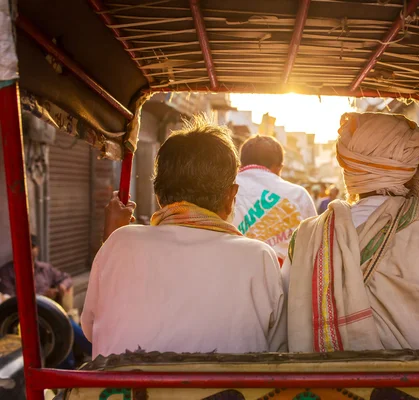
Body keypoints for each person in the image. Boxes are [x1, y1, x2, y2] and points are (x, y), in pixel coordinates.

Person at [283, 112, 419, 352]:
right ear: (413, 169)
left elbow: (284, 323)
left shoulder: (309, 237)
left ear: (348, 169)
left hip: (322, 389)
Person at [82, 116, 286, 358]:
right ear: (232, 196)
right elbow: (278, 348)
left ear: (158, 195)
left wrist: (113, 237)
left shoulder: (120, 242)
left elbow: (91, 329)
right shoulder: (258, 256)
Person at [0, 235, 92, 367]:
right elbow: (10, 301)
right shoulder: (7, 272)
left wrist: (61, 286)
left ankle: (95, 360)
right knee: (62, 333)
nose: (28, 250)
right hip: (24, 318)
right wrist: (42, 295)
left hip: (52, 314)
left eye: (32, 246)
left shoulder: (45, 268)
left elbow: (66, 278)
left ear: (37, 249)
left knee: (71, 330)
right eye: (24, 246)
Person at [234, 135, 316, 264]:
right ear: (279, 167)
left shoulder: (225, 191)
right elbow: (314, 246)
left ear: (241, 164)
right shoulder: (298, 194)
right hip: (287, 281)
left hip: (237, 274)